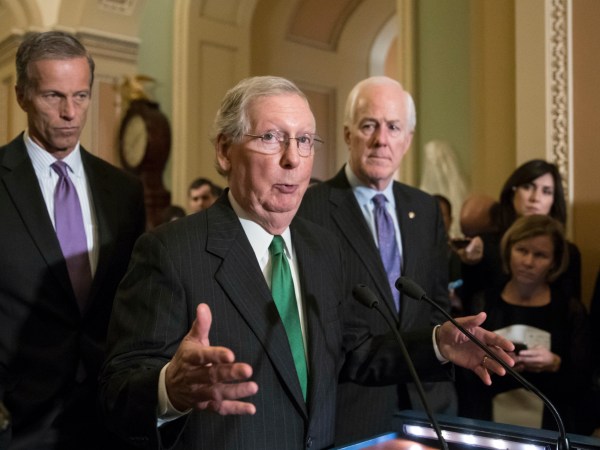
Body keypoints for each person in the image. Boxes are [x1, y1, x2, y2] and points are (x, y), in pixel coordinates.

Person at [98, 76, 515, 450]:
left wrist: (438, 343)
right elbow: (116, 393)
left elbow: (355, 352)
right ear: (225, 151)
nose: (292, 160)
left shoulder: (322, 247)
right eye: (271, 138)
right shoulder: (170, 251)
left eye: (304, 141)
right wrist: (169, 388)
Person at [0, 31, 145, 449]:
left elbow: (130, 302)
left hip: (108, 418)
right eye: (53, 96)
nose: (70, 112)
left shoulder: (124, 190)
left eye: (81, 96)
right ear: (22, 96)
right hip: (19, 425)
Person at [298, 76, 458, 445]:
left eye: (393, 127)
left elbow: (436, 304)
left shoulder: (425, 207)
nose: (381, 139)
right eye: (369, 125)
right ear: (347, 133)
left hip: (429, 407)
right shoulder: (310, 208)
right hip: (353, 411)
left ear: (408, 139)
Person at [457, 215, 591, 432]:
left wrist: (556, 364)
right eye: (522, 250)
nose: (528, 262)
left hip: (552, 426)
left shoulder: (569, 310)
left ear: (554, 262)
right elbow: (463, 376)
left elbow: (584, 381)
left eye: (540, 255)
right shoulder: (483, 303)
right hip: (487, 424)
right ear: (509, 251)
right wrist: (489, 362)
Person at [459, 159, 582, 315]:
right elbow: (470, 307)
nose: (535, 198)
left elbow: (572, 314)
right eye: (527, 187)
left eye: (546, 191)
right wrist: (470, 263)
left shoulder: (568, 253)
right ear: (512, 192)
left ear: (554, 201)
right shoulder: (485, 246)